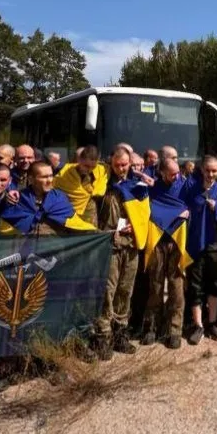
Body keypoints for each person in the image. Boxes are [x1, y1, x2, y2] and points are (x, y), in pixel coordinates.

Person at [96, 147, 142, 358]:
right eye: (117, 165)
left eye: (124, 165)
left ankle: (120, 333)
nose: (121, 169)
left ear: (130, 164)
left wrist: (136, 225)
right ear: (111, 164)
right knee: (108, 291)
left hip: (131, 245)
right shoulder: (103, 185)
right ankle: (103, 336)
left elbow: (144, 215)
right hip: (110, 246)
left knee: (126, 290)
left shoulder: (138, 186)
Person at [145, 159, 188, 348]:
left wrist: (188, 213)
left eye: (177, 172)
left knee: (176, 287)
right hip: (157, 242)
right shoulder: (152, 187)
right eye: (172, 173)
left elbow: (196, 202)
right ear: (161, 172)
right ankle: (151, 328)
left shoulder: (185, 186)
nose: (176, 176)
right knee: (155, 286)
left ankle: (174, 329)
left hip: (177, 242)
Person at [184, 156, 217, 342]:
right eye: (207, 170)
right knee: (195, 286)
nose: (210, 174)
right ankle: (198, 325)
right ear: (201, 169)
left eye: (214, 171)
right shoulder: (191, 188)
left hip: (215, 244)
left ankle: (212, 322)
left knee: (214, 284)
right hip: (195, 244)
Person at [55, 145, 106, 227]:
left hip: (90, 215)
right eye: (86, 166)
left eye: (93, 167)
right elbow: (56, 187)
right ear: (80, 160)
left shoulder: (101, 171)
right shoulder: (66, 173)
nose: (89, 169)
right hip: (69, 213)